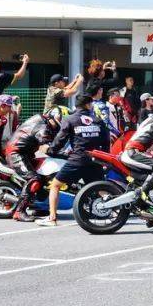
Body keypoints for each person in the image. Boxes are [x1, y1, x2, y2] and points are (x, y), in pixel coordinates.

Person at [36, 95, 109, 227]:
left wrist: (50, 150)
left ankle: (52, 218)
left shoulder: (70, 119)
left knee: (55, 185)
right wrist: (104, 159)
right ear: (88, 105)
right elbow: (106, 142)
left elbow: (60, 139)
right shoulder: (98, 120)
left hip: (77, 160)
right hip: (95, 160)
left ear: (77, 105)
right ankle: (115, 211)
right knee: (100, 189)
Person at [5, 106, 68, 222]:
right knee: (34, 179)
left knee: (46, 177)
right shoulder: (42, 126)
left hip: (27, 154)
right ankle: (19, 211)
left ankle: (40, 207)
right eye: (61, 119)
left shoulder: (51, 125)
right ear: (53, 117)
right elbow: (46, 148)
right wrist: (67, 154)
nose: (63, 122)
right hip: (16, 153)